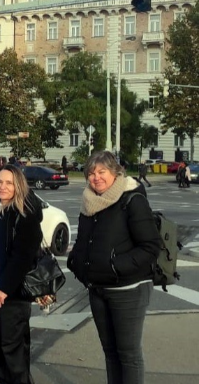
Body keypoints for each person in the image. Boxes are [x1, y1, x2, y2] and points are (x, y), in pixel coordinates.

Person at [67, 151, 160, 384]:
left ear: (115, 173)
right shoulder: (89, 202)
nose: (95, 178)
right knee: (110, 353)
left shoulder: (131, 199)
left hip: (128, 289)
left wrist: (115, 267)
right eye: (91, 173)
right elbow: (82, 242)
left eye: (101, 172)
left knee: (128, 355)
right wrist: (78, 265)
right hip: (97, 288)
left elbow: (150, 246)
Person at [0, 165, 43, 384]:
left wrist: (4, 288)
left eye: (8, 183)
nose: (3, 187)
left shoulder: (25, 214)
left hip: (12, 296)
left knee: (12, 351)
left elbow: (22, 257)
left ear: (18, 186)